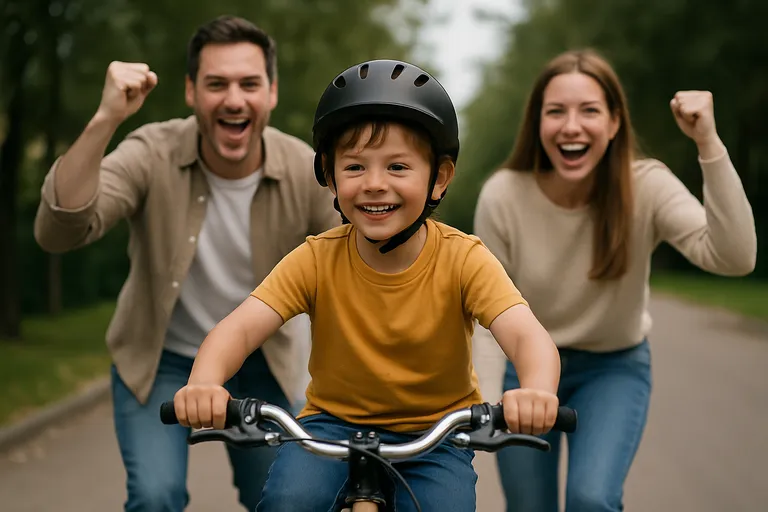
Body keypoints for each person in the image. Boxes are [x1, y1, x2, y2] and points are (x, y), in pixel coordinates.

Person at [171, 58, 564, 511]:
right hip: (331, 426)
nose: (375, 185)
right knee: (288, 500)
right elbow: (238, 329)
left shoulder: (464, 258)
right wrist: (205, 382)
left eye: (398, 167)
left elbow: (526, 335)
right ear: (329, 175)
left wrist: (536, 389)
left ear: (439, 178)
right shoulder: (316, 258)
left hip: (437, 433)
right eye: (355, 167)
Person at [33, 15, 339, 512]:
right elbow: (58, 230)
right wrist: (105, 119)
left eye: (249, 84)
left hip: (267, 362)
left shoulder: (305, 171)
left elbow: (360, 261)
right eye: (217, 84)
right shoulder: (151, 152)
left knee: (286, 500)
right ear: (192, 92)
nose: (234, 99)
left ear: (272, 94)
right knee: (156, 496)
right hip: (163, 359)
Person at [473, 48, 757, 512]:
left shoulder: (646, 185)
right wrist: (483, 403)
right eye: (556, 111)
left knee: (592, 499)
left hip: (613, 368)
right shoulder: (504, 195)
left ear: (614, 123)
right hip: (524, 371)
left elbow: (735, 257)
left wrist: (708, 142)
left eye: (589, 111)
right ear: (537, 123)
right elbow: (485, 315)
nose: (571, 126)